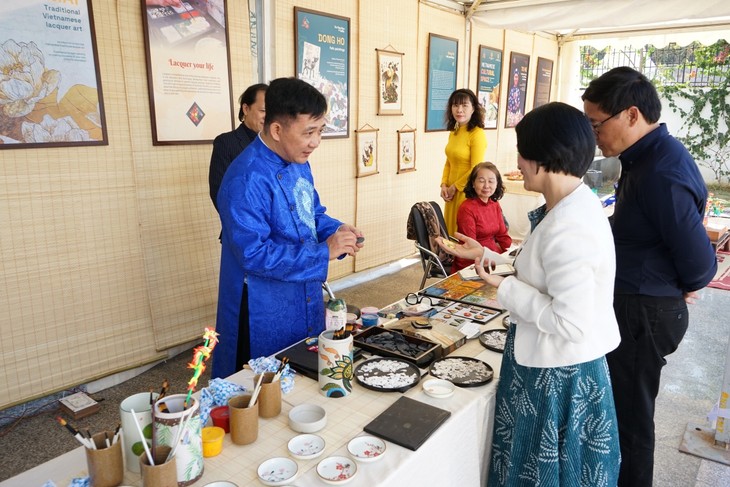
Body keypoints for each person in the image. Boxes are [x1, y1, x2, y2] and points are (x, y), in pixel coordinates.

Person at [438, 102, 621, 486]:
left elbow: (568, 321)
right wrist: (485, 256)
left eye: (523, 152)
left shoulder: (571, 225)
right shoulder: (566, 207)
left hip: (556, 376)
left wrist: (504, 286)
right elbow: (542, 274)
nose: (517, 163)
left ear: (545, 156)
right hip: (548, 365)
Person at [582, 66, 717, 487]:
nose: (594, 136)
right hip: (642, 302)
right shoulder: (646, 157)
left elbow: (700, 265)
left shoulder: (660, 171)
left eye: (596, 124)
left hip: (645, 313)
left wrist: (680, 283)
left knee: (631, 425)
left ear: (632, 115)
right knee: (623, 415)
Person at [212, 77, 364, 379]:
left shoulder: (297, 160)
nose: (315, 142)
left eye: (320, 131)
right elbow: (254, 255)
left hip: (299, 290)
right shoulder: (246, 178)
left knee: (301, 369)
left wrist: (338, 231)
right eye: (308, 132)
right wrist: (324, 252)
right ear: (277, 129)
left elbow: (312, 213)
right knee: (261, 385)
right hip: (260, 305)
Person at [209, 83, 268, 212]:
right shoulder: (226, 142)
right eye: (263, 111)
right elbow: (219, 194)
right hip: (243, 227)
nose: (268, 117)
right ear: (246, 109)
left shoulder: (275, 144)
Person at [440, 88, 487, 235]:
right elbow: (449, 161)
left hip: (465, 192)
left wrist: (455, 187)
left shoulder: (477, 134)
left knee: (462, 233)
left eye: (464, 105)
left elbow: (476, 168)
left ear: (473, 108)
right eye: (455, 105)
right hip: (450, 191)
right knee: (449, 232)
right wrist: (444, 184)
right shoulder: (454, 131)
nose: (459, 110)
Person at [451, 162, 511, 273]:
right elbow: (470, 246)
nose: (486, 186)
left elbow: (503, 236)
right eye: (481, 181)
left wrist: (510, 254)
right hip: (472, 262)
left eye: (491, 181)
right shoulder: (466, 208)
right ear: (473, 183)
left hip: (493, 257)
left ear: (497, 183)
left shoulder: (494, 204)